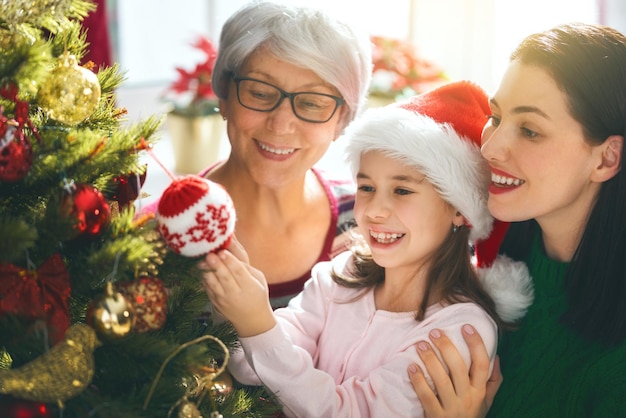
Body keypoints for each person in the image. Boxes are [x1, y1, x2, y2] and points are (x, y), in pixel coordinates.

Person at [201, 81, 533, 417]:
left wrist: (258, 322)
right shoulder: (339, 277)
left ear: (459, 209)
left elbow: (348, 412)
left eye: (402, 191)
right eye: (367, 187)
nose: (374, 210)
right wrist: (231, 295)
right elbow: (254, 368)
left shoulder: (460, 329)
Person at [408, 22, 626, 417]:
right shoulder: (488, 258)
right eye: (496, 116)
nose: (490, 147)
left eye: (529, 130)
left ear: (607, 158)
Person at [145, 1, 373, 308]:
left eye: (312, 103)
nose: (280, 125)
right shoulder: (155, 232)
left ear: (341, 119)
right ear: (224, 95)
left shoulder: (372, 223)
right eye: (260, 93)